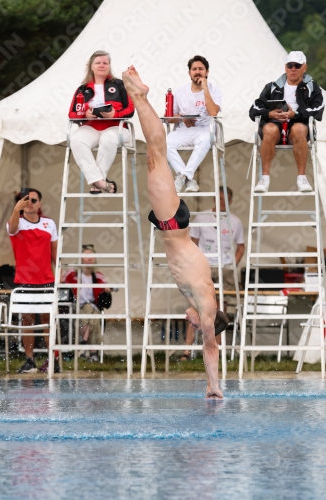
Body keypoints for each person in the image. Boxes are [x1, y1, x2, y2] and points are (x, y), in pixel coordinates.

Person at [122, 66, 228, 400]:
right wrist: (214, 386)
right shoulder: (207, 309)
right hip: (171, 222)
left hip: (171, 225)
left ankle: (141, 98)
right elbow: (211, 348)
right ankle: (140, 96)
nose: (192, 323)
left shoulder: (200, 300)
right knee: (156, 152)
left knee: (155, 157)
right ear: (208, 322)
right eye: (195, 325)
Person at [180, 186, 245, 360]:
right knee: (197, 306)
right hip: (204, 267)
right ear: (215, 199)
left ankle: (216, 349)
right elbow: (192, 243)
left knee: (219, 309)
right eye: (220, 198)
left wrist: (232, 265)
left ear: (230, 201)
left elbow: (241, 247)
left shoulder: (235, 221)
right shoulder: (202, 217)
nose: (222, 202)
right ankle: (187, 351)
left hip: (224, 269)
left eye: (226, 199)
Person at [250, 51, 324, 193]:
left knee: (299, 129)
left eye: (297, 65)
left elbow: (318, 109)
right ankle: (264, 178)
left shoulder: (312, 87)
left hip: (299, 125)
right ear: (285, 67)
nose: (293, 69)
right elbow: (254, 109)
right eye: (290, 65)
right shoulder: (272, 87)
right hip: (275, 125)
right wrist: (269, 113)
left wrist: (295, 114)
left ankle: (301, 178)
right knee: (269, 129)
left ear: (305, 67)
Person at [7, 188, 58, 374]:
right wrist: (15, 210)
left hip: (46, 279)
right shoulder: (16, 222)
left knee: (48, 319)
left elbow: (55, 252)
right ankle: (29, 360)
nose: (30, 203)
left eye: (34, 200)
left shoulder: (49, 223)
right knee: (27, 320)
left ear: (40, 203)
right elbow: (11, 230)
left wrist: (59, 273)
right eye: (26, 200)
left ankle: (53, 358)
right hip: (24, 279)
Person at [69, 50, 135, 194]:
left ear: (109, 66)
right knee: (76, 140)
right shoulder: (82, 88)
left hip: (116, 127)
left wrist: (114, 114)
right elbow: (72, 113)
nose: (102, 65)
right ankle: (100, 182)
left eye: (105, 63)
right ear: (91, 66)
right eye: (98, 63)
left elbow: (130, 109)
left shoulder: (119, 84)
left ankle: (97, 182)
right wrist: (84, 114)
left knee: (109, 138)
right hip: (91, 127)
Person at [166, 55, 222, 193]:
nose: (197, 72)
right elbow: (168, 118)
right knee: (164, 142)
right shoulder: (180, 91)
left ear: (207, 72)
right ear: (189, 73)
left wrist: (205, 89)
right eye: (194, 69)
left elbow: (213, 112)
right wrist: (182, 117)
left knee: (205, 139)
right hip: (184, 130)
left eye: (201, 69)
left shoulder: (214, 90)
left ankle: (184, 176)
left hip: (205, 130)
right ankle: (187, 178)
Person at [64, 246, 110, 362]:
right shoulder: (72, 274)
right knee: (92, 313)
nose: (89, 258)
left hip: (92, 308)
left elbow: (105, 288)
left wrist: (106, 289)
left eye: (91, 256)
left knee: (91, 312)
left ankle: (83, 344)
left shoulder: (98, 276)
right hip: (75, 307)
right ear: (81, 259)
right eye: (86, 256)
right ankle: (93, 353)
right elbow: (61, 282)